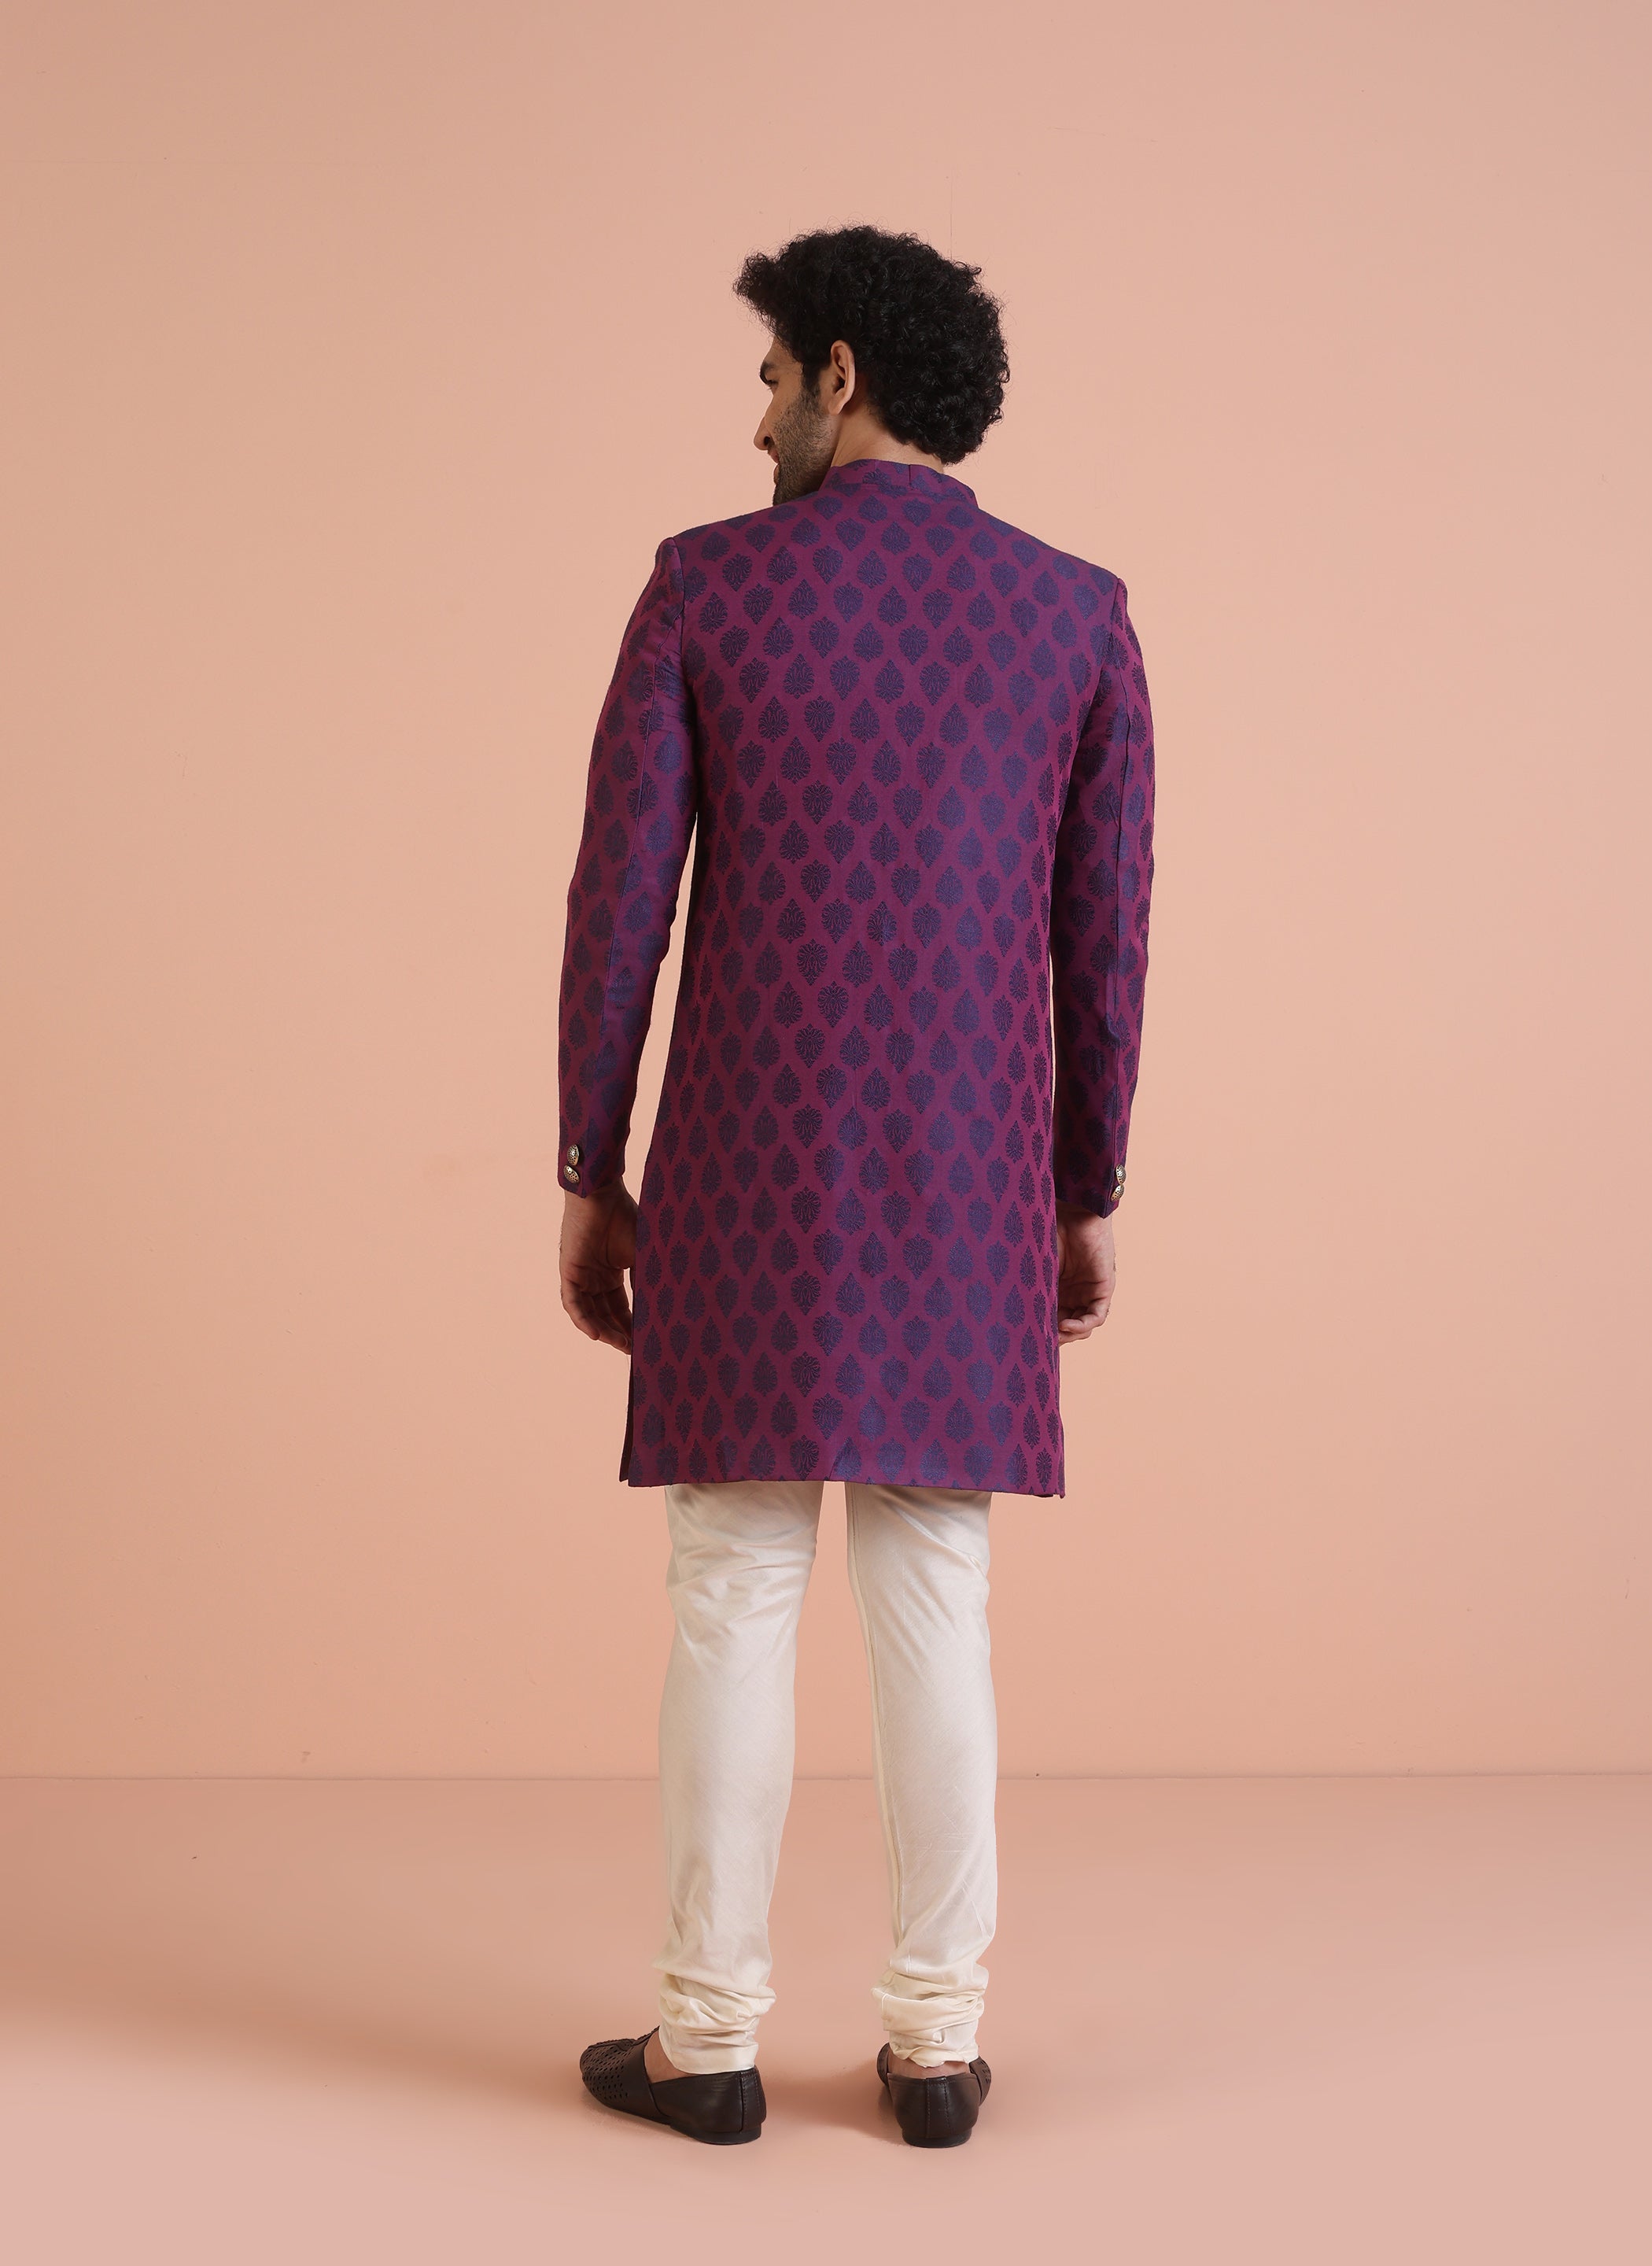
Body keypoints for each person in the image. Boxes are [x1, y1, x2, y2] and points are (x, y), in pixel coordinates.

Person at [559, 225, 1155, 2147]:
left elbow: (621, 911)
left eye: (768, 380)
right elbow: (1104, 939)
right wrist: (1085, 1183)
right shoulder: (1076, 615)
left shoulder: (704, 588)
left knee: (732, 1587)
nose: (756, 424)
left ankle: (706, 2041)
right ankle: (936, 2047)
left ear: (838, 373)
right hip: (968, 1171)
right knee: (938, 1587)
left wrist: (590, 1164)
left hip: (746, 1161)